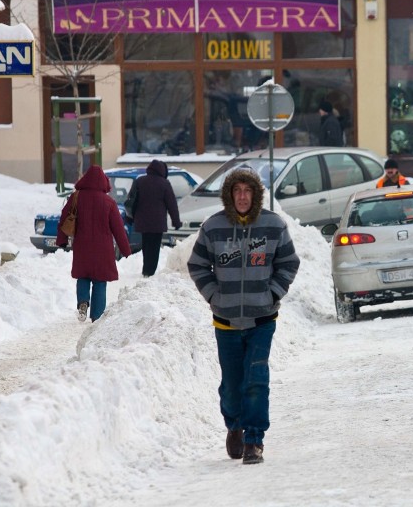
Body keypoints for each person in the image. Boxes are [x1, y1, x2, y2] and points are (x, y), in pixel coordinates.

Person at [187, 168, 300, 465]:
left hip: (262, 319)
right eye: (236, 190)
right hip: (225, 322)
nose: (242, 196)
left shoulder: (273, 225)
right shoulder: (213, 228)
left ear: (256, 194)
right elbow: (197, 265)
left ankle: (253, 440)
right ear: (229, 195)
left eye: (247, 190)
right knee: (232, 385)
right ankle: (234, 423)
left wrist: (272, 294)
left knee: (256, 379)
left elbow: (288, 262)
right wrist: (214, 296)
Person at [56, 165, 132, 322]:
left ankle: (83, 302)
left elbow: (64, 218)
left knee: (83, 276)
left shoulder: (76, 197)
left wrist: (62, 240)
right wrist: (126, 251)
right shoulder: (109, 202)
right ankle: (97, 317)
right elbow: (118, 229)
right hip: (102, 250)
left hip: (82, 247)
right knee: (100, 281)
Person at [125, 159, 182, 277]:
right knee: (154, 247)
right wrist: (176, 222)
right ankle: (150, 271)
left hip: (142, 221)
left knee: (146, 245)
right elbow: (172, 204)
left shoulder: (139, 181)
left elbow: (131, 200)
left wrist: (130, 217)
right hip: (158, 223)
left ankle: (146, 269)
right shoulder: (164, 183)